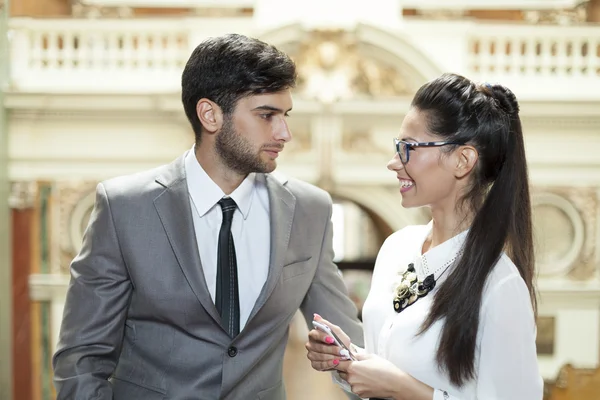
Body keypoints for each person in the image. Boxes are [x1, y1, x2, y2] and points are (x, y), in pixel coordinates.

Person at [52, 33, 363, 400]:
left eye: (285, 115)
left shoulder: (310, 209)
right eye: (267, 115)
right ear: (210, 114)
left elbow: (351, 349)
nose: (284, 133)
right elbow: (82, 362)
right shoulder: (124, 209)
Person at [305, 73, 543, 400]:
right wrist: (350, 362)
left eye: (408, 148)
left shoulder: (499, 284)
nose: (393, 162)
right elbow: (389, 364)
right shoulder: (397, 248)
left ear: (463, 160)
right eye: (397, 147)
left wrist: (404, 388)